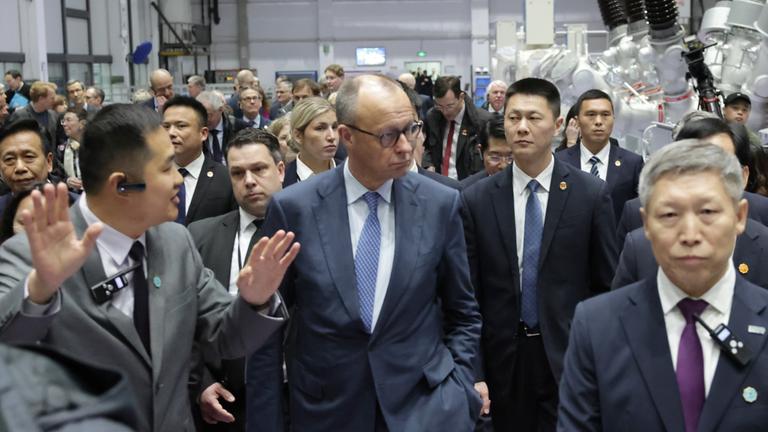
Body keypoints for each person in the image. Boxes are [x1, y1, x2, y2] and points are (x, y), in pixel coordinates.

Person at [0, 103, 299, 431]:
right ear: (122, 185)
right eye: (167, 168)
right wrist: (41, 290)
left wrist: (255, 300)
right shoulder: (29, 257)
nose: (178, 180)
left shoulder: (174, 243)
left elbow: (225, 338)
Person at [261, 74, 482, 431]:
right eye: (387, 136)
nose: (406, 148)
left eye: (410, 129)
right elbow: (267, 330)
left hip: (425, 409)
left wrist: (457, 392)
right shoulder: (295, 209)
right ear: (347, 136)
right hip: (328, 411)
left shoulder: (440, 204)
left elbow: (464, 313)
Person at [558, 140, 768, 431]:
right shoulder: (596, 327)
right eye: (669, 215)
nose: (690, 234)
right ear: (645, 224)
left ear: (739, 217)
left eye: (707, 212)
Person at [461, 77, 618, 432]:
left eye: (533, 118)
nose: (521, 128)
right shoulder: (477, 199)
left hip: (567, 358)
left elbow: (607, 288)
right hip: (502, 363)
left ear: (559, 124)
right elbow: (467, 295)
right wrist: (475, 370)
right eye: (513, 118)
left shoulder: (589, 195)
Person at [189, 129, 287, 431]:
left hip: (297, 394)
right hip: (225, 399)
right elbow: (184, 322)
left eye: (259, 169)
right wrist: (200, 383)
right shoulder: (198, 235)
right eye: (237, 173)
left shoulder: (314, 230)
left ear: (280, 170)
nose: (248, 181)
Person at [616, 118, 768, 250]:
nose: (707, 174)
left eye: (721, 163)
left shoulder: (762, 237)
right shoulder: (638, 242)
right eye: (696, 163)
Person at [555, 89, 644, 223]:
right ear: (577, 121)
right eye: (591, 114)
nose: (598, 122)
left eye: (605, 115)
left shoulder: (632, 163)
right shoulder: (558, 162)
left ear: (613, 119)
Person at [162, 96, 235, 226]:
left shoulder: (226, 179)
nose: (171, 133)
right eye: (166, 126)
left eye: (181, 126)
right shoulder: (150, 177)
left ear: (203, 134)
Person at [423, 75, 491, 180]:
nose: (445, 112)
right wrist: (429, 165)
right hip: (439, 183)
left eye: (450, 106)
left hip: (469, 185)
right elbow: (428, 147)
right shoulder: (433, 116)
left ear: (461, 97)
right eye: (440, 106)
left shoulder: (482, 121)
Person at [0, 119, 54, 216]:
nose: (20, 168)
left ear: (49, 162)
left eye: (29, 157)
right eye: (9, 159)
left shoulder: (76, 206)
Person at [282, 97, 340, 187]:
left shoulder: (354, 174)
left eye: (334, 127)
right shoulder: (281, 180)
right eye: (320, 128)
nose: (332, 137)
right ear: (298, 136)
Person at [459, 115, 513, 189]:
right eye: (495, 158)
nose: (504, 166)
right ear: (480, 152)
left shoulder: (532, 185)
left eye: (511, 158)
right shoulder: (467, 190)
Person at [8, 81, 59, 154]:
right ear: (41, 98)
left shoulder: (54, 115)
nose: (54, 100)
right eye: (52, 98)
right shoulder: (19, 116)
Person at [197, 90, 236, 165]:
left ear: (221, 109)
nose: (204, 120)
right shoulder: (195, 130)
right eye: (200, 115)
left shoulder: (236, 127)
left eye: (208, 115)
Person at [60, 107, 87, 192]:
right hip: (71, 194)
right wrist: (67, 181)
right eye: (63, 121)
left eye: (68, 120)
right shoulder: (61, 149)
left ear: (82, 124)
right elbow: (56, 174)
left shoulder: (95, 146)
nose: (64, 124)